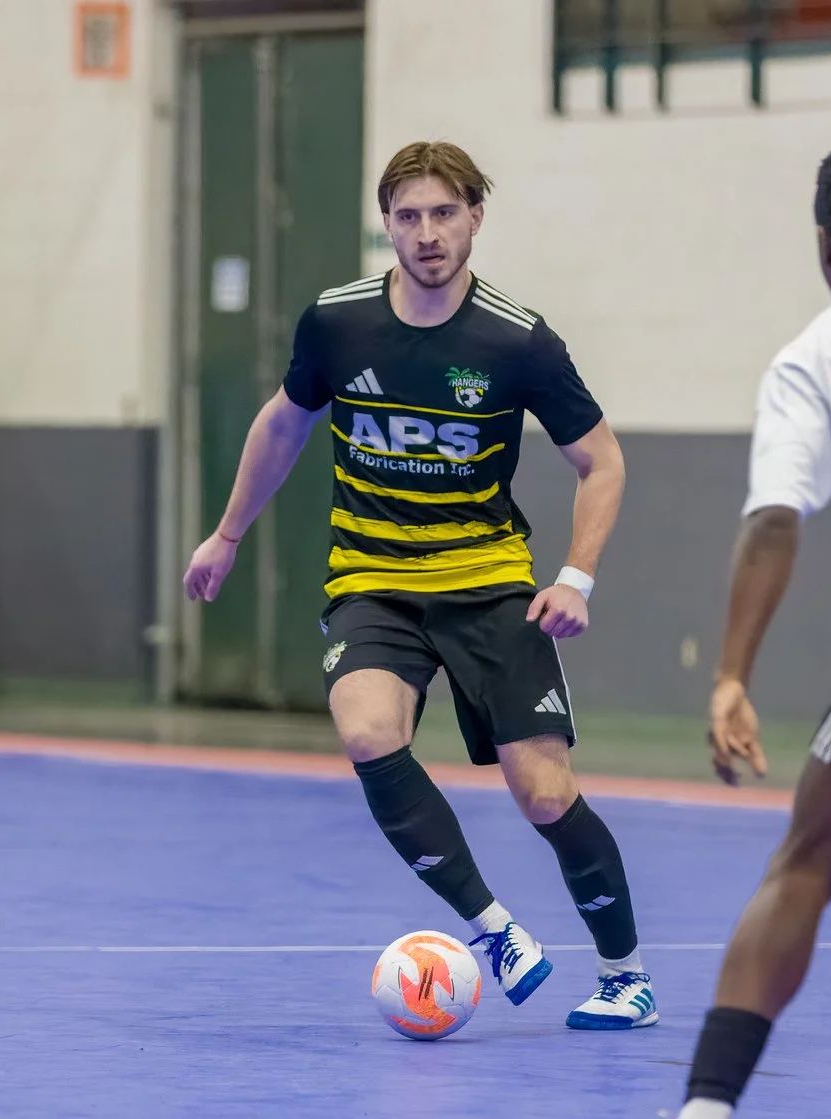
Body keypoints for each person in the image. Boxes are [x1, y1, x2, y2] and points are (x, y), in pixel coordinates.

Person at [183, 140, 657, 1029]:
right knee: (367, 733)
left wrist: (575, 576)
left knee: (544, 793)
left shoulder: (518, 340)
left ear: (476, 214)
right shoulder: (337, 322)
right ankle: (495, 929)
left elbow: (602, 461)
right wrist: (227, 532)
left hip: (488, 583)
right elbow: (284, 426)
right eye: (407, 215)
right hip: (372, 577)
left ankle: (624, 974)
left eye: (444, 212)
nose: (427, 233)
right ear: (386, 224)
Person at [678, 135, 831, 1116]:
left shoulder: (818, 355)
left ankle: (707, 1105)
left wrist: (729, 675)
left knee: (808, 861)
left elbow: (773, 519)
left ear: (827, 246)